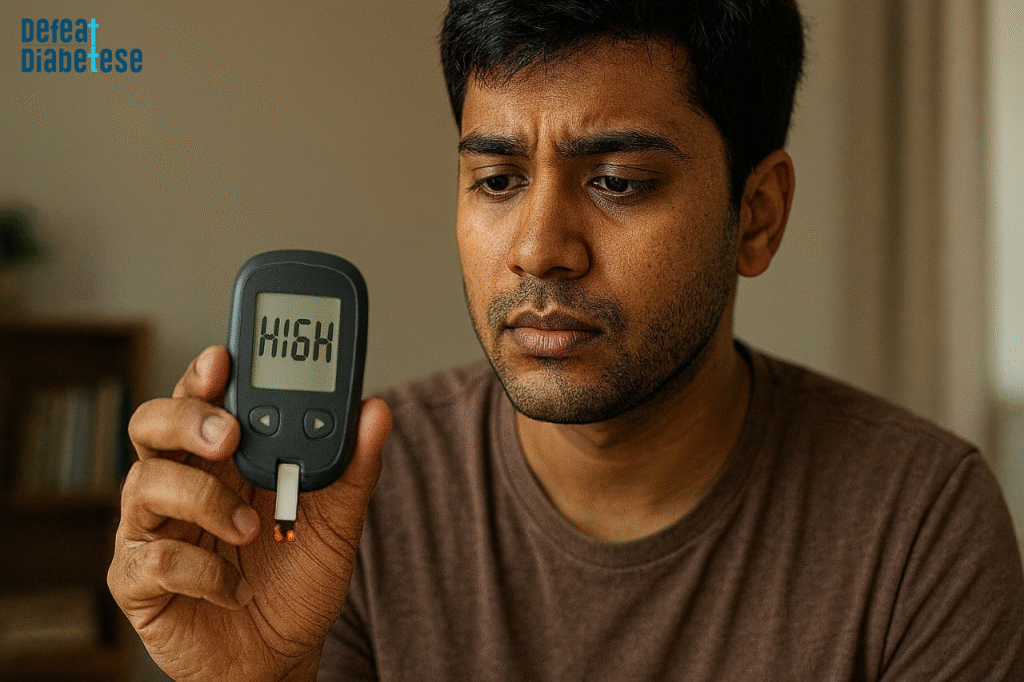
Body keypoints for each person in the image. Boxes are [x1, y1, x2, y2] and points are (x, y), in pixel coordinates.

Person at [108, 0, 1024, 680]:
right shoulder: (348, 508)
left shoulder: (919, 527)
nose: (540, 250)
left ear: (756, 215)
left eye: (619, 180)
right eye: (499, 180)